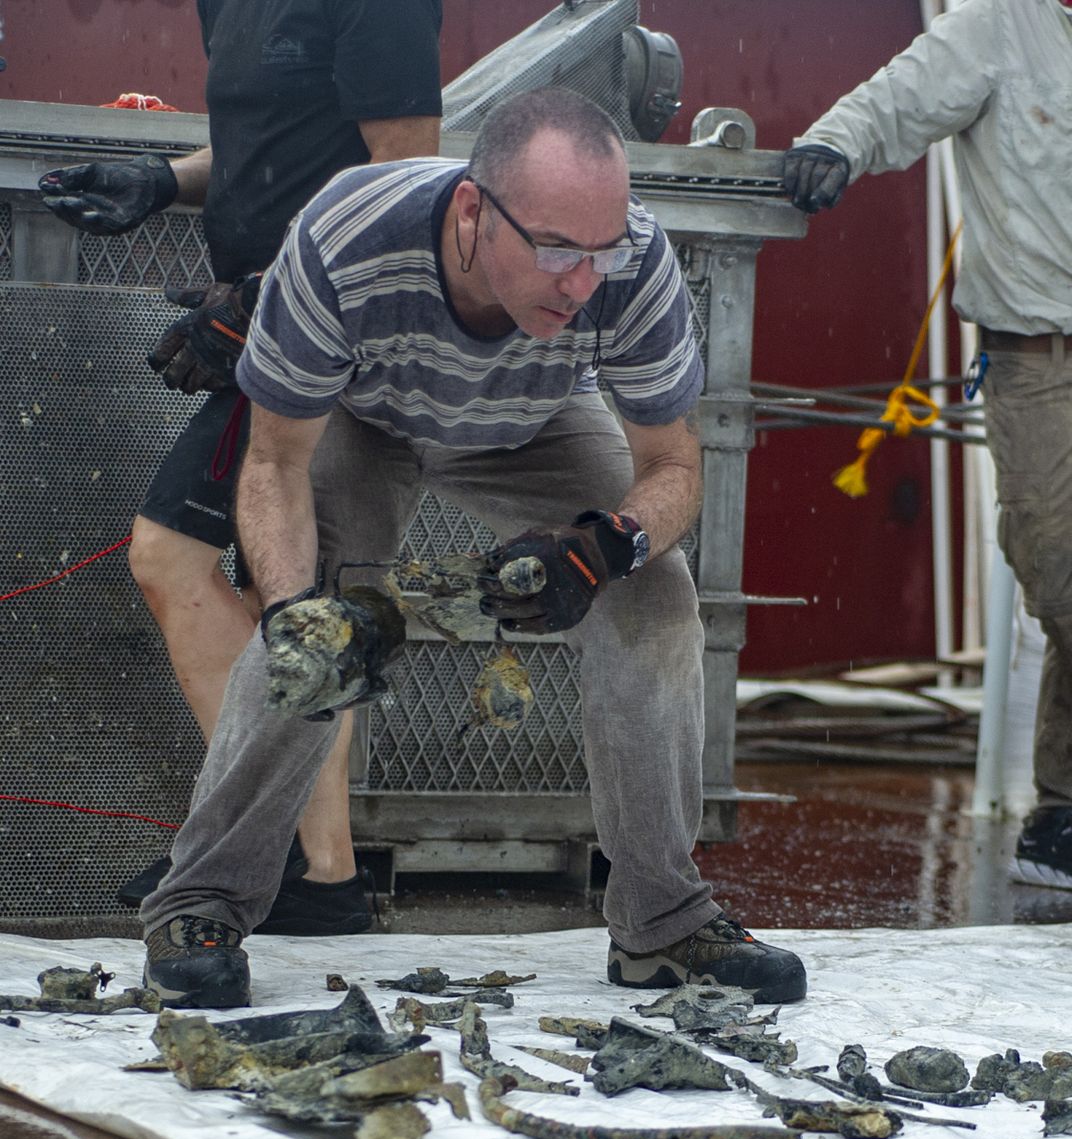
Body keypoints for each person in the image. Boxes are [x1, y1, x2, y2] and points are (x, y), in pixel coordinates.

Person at [136, 86, 808, 1011]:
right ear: (469, 212)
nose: (582, 283)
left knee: (657, 598)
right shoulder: (346, 239)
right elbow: (275, 464)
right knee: (311, 639)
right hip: (362, 416)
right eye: (558, 253)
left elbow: (672, 462)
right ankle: (202, 902)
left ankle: (663, 921)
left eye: (599, 255)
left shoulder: (633, 265)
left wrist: (607, 547)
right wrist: (294, 612)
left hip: (534, 421)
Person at [38, 0, 444, 933]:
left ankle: (258, 841)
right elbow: (284, 146)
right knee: (284, 597)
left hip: (327, 330)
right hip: (267, 321)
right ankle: (325, 874)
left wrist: (267, 295)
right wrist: (159, 181)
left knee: (169, 556)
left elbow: (403, 177)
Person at [783, 0, 1072, 891]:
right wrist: (832, 143)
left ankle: (1060, 810)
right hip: (1040, 358)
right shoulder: (997, 27)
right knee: (1060, 564)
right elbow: (898, 98)